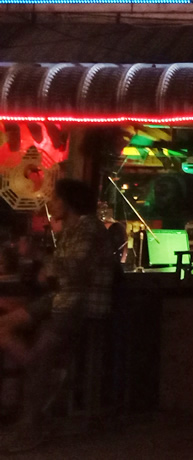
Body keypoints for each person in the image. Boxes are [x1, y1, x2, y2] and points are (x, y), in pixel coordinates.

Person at [0, 179, 114, 453]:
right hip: (60, 299)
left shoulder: (88, 227)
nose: (51, 204)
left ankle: (30, 427)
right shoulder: (72, 230)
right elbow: (56, 275)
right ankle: (37, 369)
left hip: (79, 304)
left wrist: (39, 256)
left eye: (55, 198)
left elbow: (74, 270)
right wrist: (45, 268)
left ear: (68, 202)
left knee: (40, 358)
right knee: (5, 326)